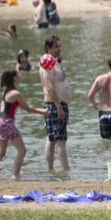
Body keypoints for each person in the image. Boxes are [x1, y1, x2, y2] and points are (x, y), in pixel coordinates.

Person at [0, 70, 49, 179]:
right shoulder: (16, 94)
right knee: (22, 150)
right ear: (14, 78)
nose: (20, 76)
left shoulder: (5, 90)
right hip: (6, 122)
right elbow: (28, 109)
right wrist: (43, 112)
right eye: (18, 74)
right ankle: (15, 175)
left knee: (0, 153)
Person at [39, 35, 71, 174]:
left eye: (60, 45)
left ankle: (50, 171)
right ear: (49, 48)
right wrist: (58, 106)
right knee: (60, 139)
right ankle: (66, 170)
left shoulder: (54, 61)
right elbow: (48, 85)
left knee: (52, 139)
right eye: (57, 46)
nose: (60, 48)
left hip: (57, 104)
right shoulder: (47, 61)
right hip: (54, 105)